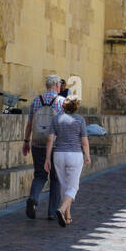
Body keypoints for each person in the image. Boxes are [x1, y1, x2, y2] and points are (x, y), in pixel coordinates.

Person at [23, 74, 65, 220]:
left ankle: (33, 198)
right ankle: (52, 212)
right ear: (56, 85)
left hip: (37, 143)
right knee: (55, 177)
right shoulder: (61, 102)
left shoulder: (35, 101)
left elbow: (30, 124)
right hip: (55, 145)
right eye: (60, 84)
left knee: (40, 175)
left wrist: (26, 141)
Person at [44, 97, 90, 226]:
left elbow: (50, 140)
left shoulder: (56, 119)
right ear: (76, 107)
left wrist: (47, 158)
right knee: (74, 186)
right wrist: (87, 155)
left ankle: (67, 216)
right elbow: (84, 142)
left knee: (64, 186)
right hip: (75, 154)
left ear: (63, 107)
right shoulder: (80, 120)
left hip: (59, 154)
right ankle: (62, 209)